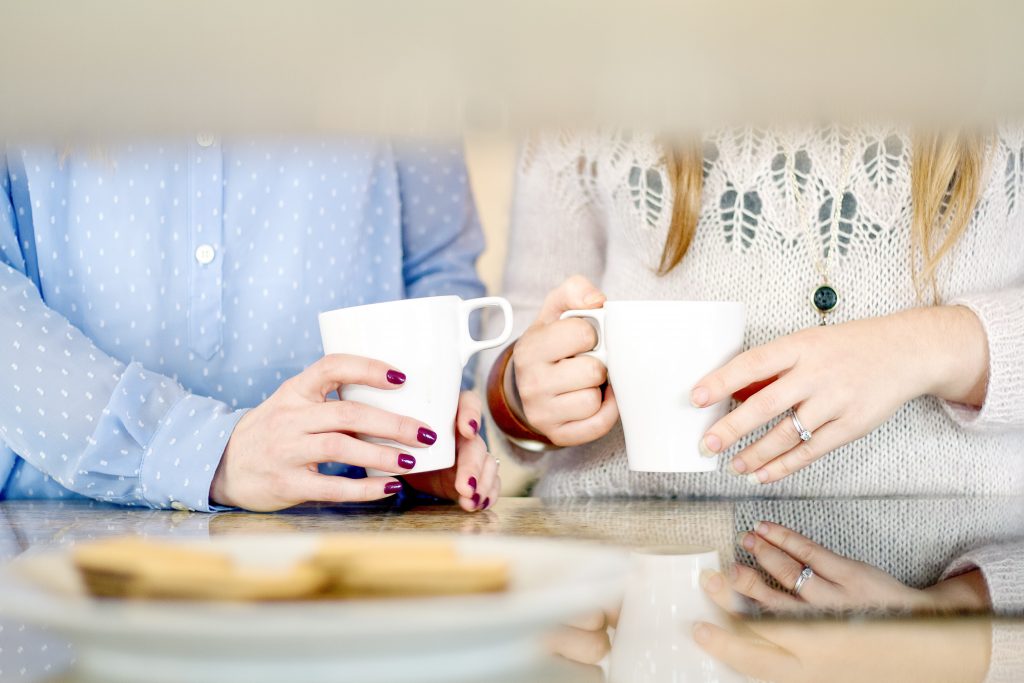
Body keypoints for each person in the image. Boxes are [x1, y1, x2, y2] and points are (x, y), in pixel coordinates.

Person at [484, 126, 1024, 610]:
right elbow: (523, 330)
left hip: (969, 551)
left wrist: (931, 345)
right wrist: (522, 392)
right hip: (621, 568)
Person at [0, 138, 500, 512]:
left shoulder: (393, 30)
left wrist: (413, 432)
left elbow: (436, 266)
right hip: (50, 537)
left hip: (351, 543)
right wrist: (209, 453)